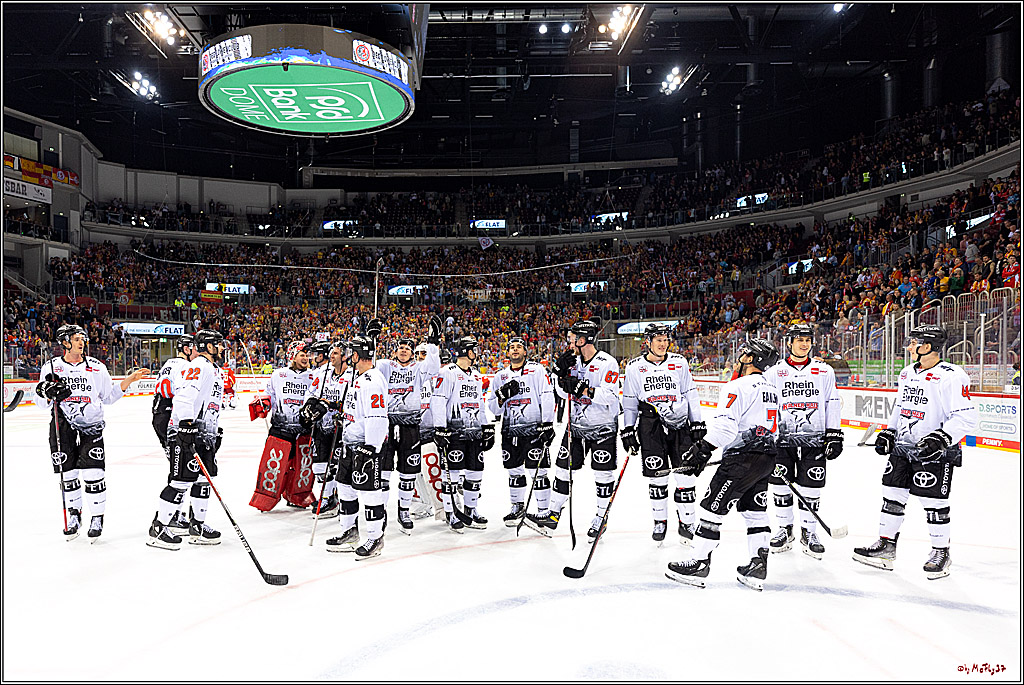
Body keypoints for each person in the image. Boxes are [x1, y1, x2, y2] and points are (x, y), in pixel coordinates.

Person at [853, 325, 978, 579]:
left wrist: (942, 438)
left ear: (928, 346)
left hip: (934, 452)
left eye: (914, 343)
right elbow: (901, 405)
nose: (909, 347)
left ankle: (941, 551)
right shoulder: (907, 372)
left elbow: (966, 417)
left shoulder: (952, 375)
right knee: (892, 494)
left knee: (934, 502)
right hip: (903, 447)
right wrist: (890, 431)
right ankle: (886, 546)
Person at [665, 339, 780, 591]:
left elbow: (726, 427)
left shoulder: (737, 386)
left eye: (745, 353)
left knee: (711, 509)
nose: (740, 356)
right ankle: (757, 565)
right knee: (754, 510)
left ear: (752, 359)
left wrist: (702, 449)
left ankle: (698, 563)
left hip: (741, 459)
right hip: (766, 457)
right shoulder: (772, 389)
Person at [37, 324, 149, 541]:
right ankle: (73, 515)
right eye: (77, 338)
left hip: (92, 425)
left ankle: (97, 516)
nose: (82, 342)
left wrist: (130, 380)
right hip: (62, 425)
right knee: (67, 474)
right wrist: (45, 392)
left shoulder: (96, 367)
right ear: (65, 342)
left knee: (93, 473)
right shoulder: (50, 367)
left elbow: (108, 397)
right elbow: (41, 404)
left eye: (83, 339)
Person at [526, 319, 621, 540]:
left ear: (583, 339)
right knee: (562, 469)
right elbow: (560, 393)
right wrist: (558, 373)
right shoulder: (572, 361)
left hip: (603, 427)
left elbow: (610, 396)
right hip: (575, 427)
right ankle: (553, 514)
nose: (568, 342)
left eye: (572, 338)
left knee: (603, 473)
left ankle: (600, 517)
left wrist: (583, 389)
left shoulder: (607, 362)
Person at [763, 323, 842, 559]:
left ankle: (809, 532)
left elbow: (832, 401)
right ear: (789, 343)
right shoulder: (774, 373)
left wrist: (834, 433)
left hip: (814, 440)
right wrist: (766, 434)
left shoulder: (824, 371)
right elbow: (767, 404)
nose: (804, 344)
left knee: (811, 487)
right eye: (799, 339)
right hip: (782, 440)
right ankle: (784, 530)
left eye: (807, 339)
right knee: (780, 485)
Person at [621, 323, 705, 545]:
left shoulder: (679, 363)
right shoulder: (634, 367)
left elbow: (690, 393)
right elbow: (629, 402)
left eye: (665, 339)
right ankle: (660, 521)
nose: (663, 343)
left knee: (685, 475)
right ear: (647, 342)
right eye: (658, 339)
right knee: (657, 476)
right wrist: (628, 429)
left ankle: (687, 523)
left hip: (680, 425)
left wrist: (696, 423)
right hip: (650, 426)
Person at [146, 329, 225, 549]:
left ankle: (197, 527)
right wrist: (187, 425)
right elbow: (184, 396)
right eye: (218, 344)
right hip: (187, 432)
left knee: (203, 479)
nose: (221, 348)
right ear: (208, 346)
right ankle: (158, 528)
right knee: (180, 480)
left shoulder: (212, 368)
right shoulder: (198, 365)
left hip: (204, 434)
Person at [374, 316, 443, 533]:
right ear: (394, 350)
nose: (404, 350)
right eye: (400, 347)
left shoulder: (418, 368)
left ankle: (404, 512)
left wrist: (432, 343)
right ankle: (381, 511)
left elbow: (433, 368)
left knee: (408, 473)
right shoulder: (385, 366)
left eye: (408, 347)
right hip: (386, 425)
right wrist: (372, 340)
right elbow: (369, 367)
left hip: (410, 426)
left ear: (413, 352)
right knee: (384, 473)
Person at [325, 335, 390, 558]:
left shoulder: (373, 380)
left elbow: (377, 415)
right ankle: (349, 532)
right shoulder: (359, 377)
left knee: (370, 492)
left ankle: (375, 537)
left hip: (365, 446)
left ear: (355, 355)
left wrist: (371, 447)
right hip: (349, 443)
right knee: (344, 487)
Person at [485, 337, 556, 526]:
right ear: (507, 353)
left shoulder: (537, 370)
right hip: (510, 431)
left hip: (534, 430)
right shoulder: (500, 376)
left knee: (538, 471)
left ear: (525, 351)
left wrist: (547, 423)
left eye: (519, 347)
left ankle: (544, 511)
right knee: (514, 471)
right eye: (511, 348)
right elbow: (493, 408)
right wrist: (501, 397)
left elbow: (547, 396)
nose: (515, 350)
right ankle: (517, 507)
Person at [431, 335, 492, 532]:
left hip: (474, 433)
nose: (477, 353)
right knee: (452, 475)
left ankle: (470, 510)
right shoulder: (447, 372)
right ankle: (450, 512)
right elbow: (438, 400)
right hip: (454, 433)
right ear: (467, 351)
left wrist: (486, 427)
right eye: (474, 348)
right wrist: (440, 429)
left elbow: (479, 404)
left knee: (475, 472)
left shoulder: (474, 375)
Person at [249, 340, 316, 511]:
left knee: (302, 467)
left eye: (307, 355)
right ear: (293, 356)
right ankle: (265, 498)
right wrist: (264, 403)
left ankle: (298, 497)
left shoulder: (313, 376)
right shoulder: (279, 375)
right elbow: (269, 394)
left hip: (304, 430)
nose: (306, 358)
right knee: (274, 465)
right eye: (302, 355)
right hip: (281, 428)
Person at [151, 333, 197, 536]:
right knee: (180, 468)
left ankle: (174, 514)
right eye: (193, 348)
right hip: (170, 419)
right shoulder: (184, 366)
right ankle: (172, 516)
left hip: (160, 416)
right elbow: (172, 390)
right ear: (186, 348)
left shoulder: (168, 363)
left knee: (177, 467)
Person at [301, 340, 352, 519]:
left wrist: (334, 405)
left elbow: (354, 402)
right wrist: (309, 405)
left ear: (345, 357)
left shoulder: (352, 376)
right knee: (319, 467)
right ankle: (327, 498)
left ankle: (331, 499)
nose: (331, 356)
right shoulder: (323, 372)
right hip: (322, 425)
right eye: (331, 353)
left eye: (336, 353)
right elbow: (312, 392)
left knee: (336, 468)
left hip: (342, 428)